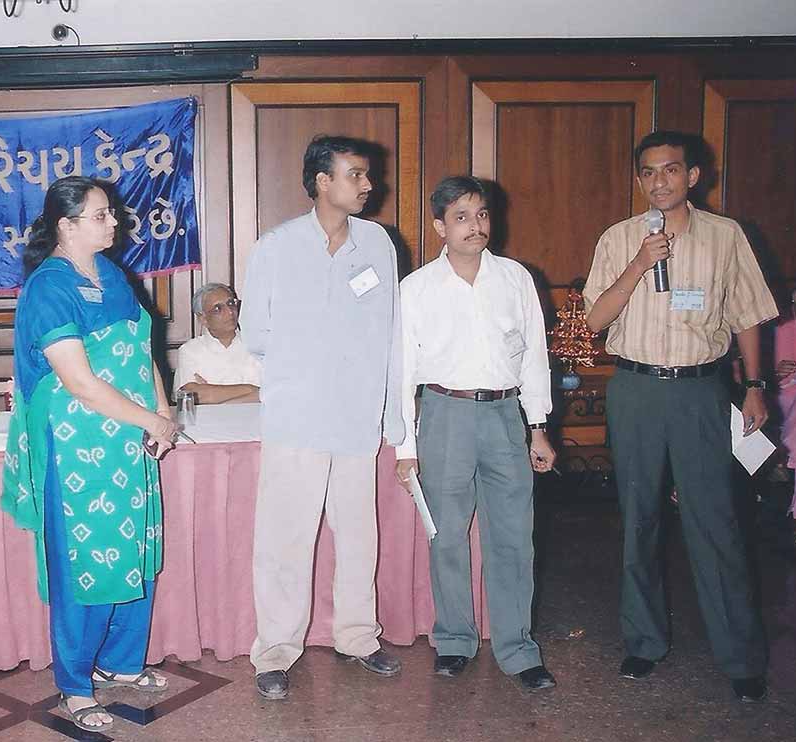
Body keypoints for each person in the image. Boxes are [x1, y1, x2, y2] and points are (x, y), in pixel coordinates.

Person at [584, 130, 776, 702]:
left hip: (700, 392)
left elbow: (747, 315)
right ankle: (644, 642)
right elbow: (594, 320)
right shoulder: (619, 238)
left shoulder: (725, 236)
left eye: (670, 169)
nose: (658, 181)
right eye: (648, 172)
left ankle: (741, 657)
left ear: (692, 176)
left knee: (715, 522)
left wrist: (755, 387)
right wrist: (640, 263)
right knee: (638, 519)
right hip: (636, 390)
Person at [0, 176, 177, 731]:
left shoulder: (113, 275)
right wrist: (149, 419)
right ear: (66, 226)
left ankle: (121, 662)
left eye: (110, 213)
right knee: (84, 561)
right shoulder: (48, 287)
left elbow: (142, 350)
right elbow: (77, 381)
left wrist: (162, 409)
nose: (114, 222)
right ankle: (75, 684)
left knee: (134, 548)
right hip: (77, 446)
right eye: (101, 215)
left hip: (128, 440)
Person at [241, 134, 406, 700]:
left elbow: (391, 331)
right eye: (355, 174)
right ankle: (275, 651)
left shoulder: (378, 243)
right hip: (297, 419)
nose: (368, 185)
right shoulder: (277, 246)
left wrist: (391, 415)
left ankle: (358, 637)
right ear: (322, 181)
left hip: (357, 417)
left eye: (367, 175)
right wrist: (309, 366)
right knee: (285, 539)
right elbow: (256, 335)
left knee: (359, 536)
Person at [395, 175, 557, 691]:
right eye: (461, 217)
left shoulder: (515, 279)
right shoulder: (416, 289)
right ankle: (454, 640)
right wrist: (405, 447)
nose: (475, 225)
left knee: (513, 536)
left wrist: (538, 427)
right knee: (446, 535)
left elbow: (534, 357)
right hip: (444, 415)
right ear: (439, 227)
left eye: (482, 214)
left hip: (505, 416)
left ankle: (517, 648)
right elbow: (401, 374)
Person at [173, 282, 262, 404]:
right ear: (203, 319)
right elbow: (192, 395)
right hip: (208, 417)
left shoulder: (258, 344)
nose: (230, 312)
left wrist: (216, 396)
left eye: (231, 304)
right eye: (218, 309)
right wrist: (251, 389)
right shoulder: (190, 351)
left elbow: (273, 392)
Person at [773, 273, 796, 550]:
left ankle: (790, 456)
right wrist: (776, 373)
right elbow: (749, 374)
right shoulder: (781, 329)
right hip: (782, 400)